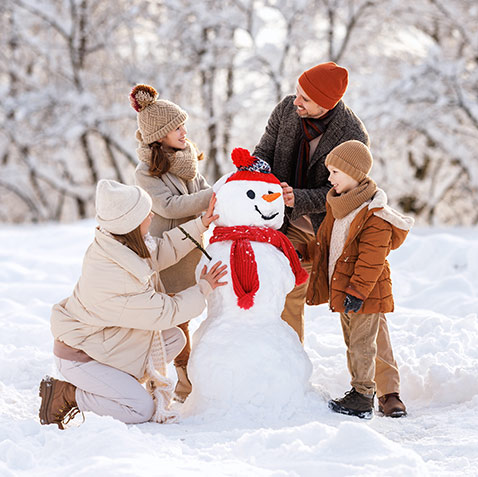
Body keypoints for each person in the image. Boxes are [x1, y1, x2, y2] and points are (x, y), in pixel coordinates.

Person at [252, 62, 408, 417]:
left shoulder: (351, 134)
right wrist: (255, 171)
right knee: (285, 288)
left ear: (327, 102)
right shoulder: (286, 110)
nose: (297, 101)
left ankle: (387, 390)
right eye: (298, 92)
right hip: (289, 221)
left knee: (368, 305)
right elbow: (264, 150)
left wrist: (300, 197)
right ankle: (287, 376)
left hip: (335, 226)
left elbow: (343, 190)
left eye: (306, 98)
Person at [38, 179, 227, 429]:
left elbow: (161, 251)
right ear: (129, 223)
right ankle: (67, 394)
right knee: (140, 409)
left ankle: (121, 386)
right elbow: (164, 312)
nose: (150, 215)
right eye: (144, 213)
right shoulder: (113, 276)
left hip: (107, 343)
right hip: (82, 357)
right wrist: (203, 288)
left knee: (174, 339)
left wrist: (200, 224)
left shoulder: (122, 246)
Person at [306, 141, 413, 419]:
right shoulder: (339, 207)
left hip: (364, 292)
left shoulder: (374, 215)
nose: (330, 179)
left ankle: (364, 395)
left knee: (364, 344)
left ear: (354, 173)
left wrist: (357, 291)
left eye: (335, 172)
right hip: (344, 291)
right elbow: (329, 245)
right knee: (354, 343)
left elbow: (371, 259)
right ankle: (359, 391)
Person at [131, 84, 213, 402]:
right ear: (160, 133)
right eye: (177, 127)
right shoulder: (146, 173)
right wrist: (213, 197)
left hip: (194, 248)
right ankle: (181, 381)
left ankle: (196, 375)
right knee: (178, 320)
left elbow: (202, 190)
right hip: (169, 254)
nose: (184, 132)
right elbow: (171, 207)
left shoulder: (186, 160)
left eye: (183, 125)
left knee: (195, 313)